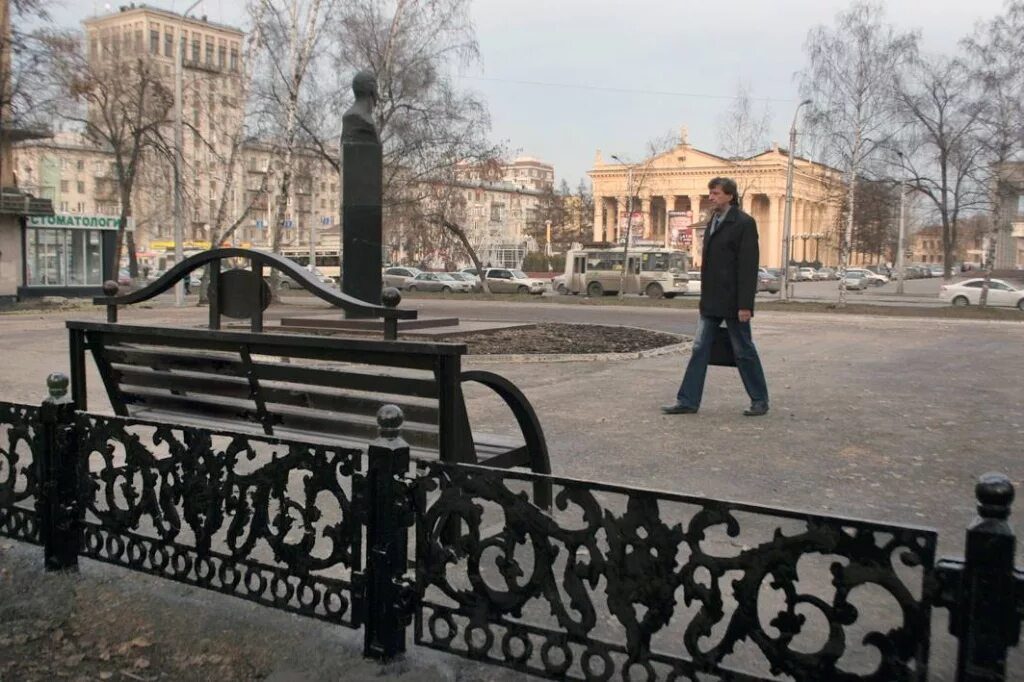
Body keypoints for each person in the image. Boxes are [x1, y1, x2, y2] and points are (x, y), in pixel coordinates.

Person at [662, 177, 769, 417]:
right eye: (710, 193)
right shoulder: (713, 221)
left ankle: (759, 400)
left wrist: (745, 305)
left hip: (733, 303)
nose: (711, 197)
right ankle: (688, 401)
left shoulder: (744, 223)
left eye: (717, 193)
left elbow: (748, 267)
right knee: (699, 349)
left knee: (744, 351)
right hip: (710, 302)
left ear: (730, 196)